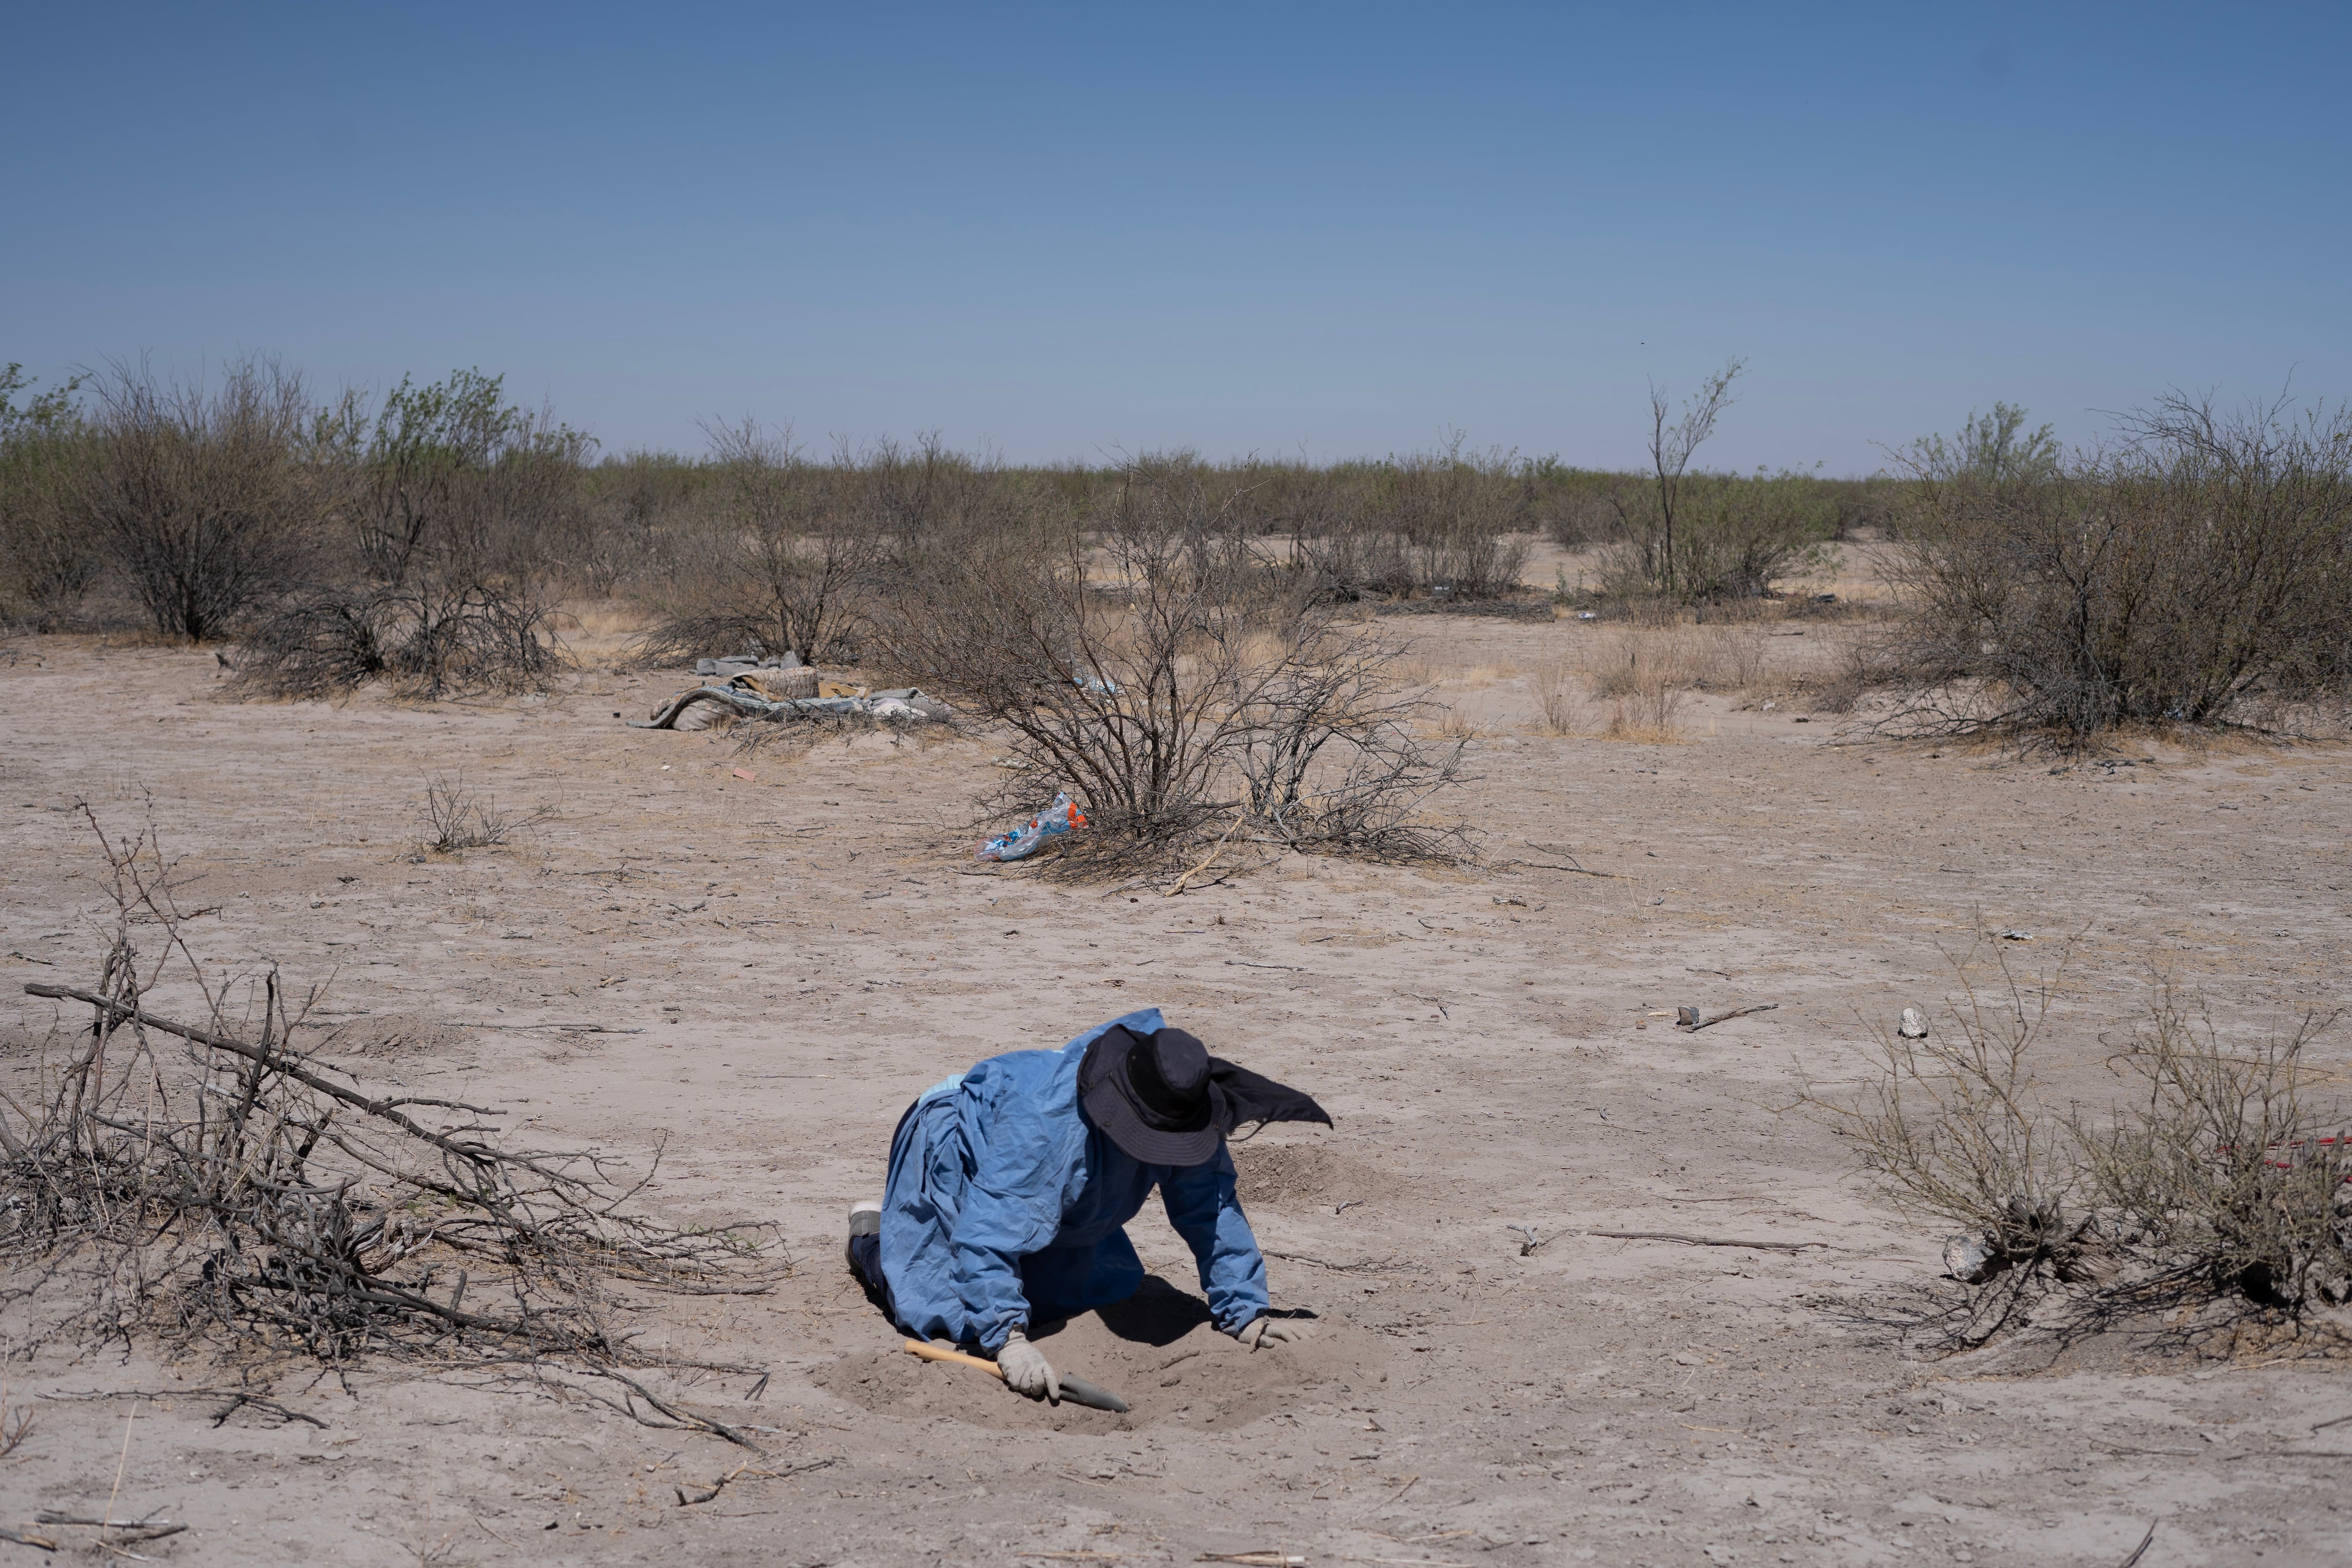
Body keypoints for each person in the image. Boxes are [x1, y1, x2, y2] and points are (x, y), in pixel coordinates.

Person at [846, 1009, 1329, 1403]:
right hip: (953, 1143)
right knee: (945, 1315)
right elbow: (984, 1238)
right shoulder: (1042, 1129)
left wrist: (1245, 1310)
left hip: (1049, 1180)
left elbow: (1213, 1208)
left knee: (1086, 1293)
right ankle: (872, 1241)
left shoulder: (1178, 1100)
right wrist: (1008, 1340)